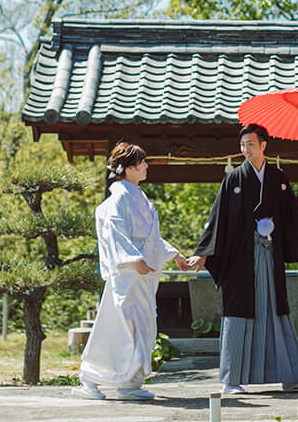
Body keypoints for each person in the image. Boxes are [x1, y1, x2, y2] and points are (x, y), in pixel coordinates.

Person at [185, 123, 298, 395]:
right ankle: (232, 379)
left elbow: (291, 218)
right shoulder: (233, 179)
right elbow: (217, 219)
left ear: (264, 145)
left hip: (269, 256)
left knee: (276, 311)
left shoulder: (279, 178)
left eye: (251, 144)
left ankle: (291, 377)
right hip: (240, 261)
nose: (246, 150)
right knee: (238, 313)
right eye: (243, 145)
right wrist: (203, 253)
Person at [76, 142, 190, 401]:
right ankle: (91, 376)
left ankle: (130, 382)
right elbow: (115, 229)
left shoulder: (137, 196)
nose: (147, 166)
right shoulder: (119, 197)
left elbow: (152, 239)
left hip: (141, 273)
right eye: (142, 163)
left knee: (142, 327)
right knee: (119, 327)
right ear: (127, 169)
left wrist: (175, 256)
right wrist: (132, 259)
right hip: (127, 275)